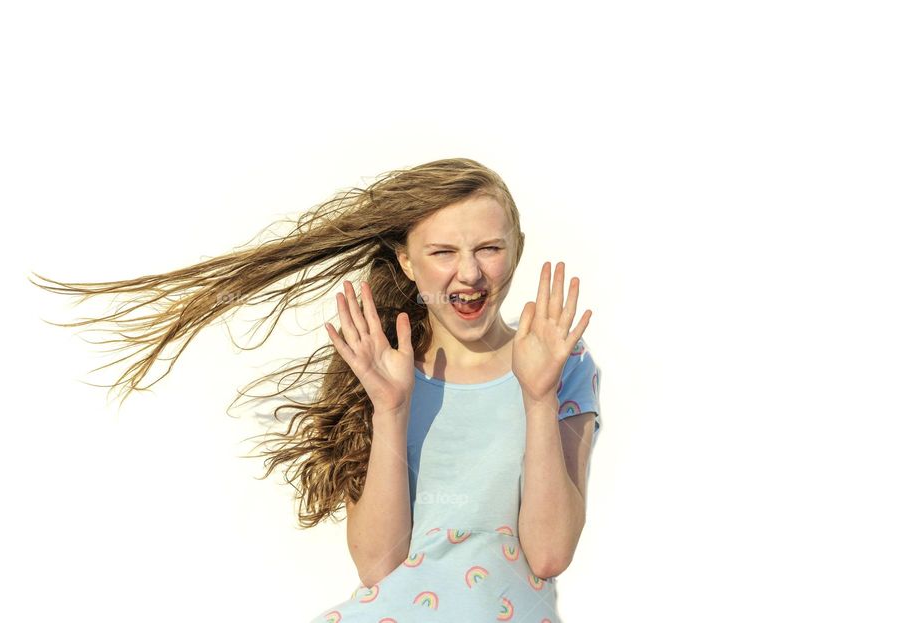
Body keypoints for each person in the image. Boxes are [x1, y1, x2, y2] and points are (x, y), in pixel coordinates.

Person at [29, 157, 602, 622]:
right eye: (443, 252)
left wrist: (537, 395)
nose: (470, 273)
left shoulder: (562, 362)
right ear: (405, 261)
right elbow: (379, 565)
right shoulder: (378, 363)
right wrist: (390, 408)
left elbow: (550, 554)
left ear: (516, 249)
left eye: (489, 249)